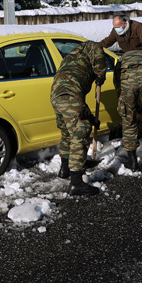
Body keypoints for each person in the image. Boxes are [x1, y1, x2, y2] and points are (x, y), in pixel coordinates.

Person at [50, 41, 107, 196]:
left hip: (56, 95)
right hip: (69, 95)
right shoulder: (92, 47)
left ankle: (65, 169)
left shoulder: (73, 58)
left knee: (67, 132)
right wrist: (101, 74)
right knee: (79, 132)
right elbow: (98, 51)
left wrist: (92, 119)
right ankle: (76, 183)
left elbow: (78, 105)